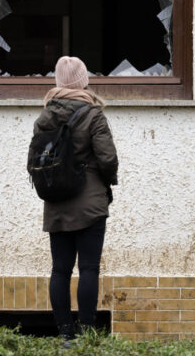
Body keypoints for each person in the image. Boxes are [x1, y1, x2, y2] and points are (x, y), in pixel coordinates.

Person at [29, 56, 119, 341]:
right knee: (89, 268)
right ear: (83, 81)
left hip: (56, 203)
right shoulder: (93, 115)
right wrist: (107, 182)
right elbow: (108, 158)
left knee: (60, 269)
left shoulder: (43, 118)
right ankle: (88, 332)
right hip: (90, 202)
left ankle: (66, 334)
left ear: (57, 81)